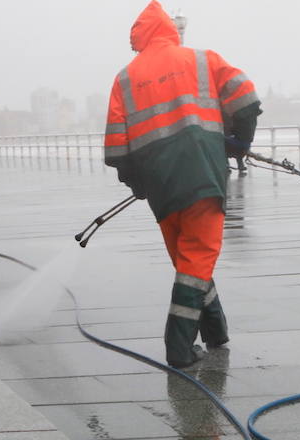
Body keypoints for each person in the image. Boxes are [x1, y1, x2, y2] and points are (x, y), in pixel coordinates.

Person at [104, 0, 262, 368]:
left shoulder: (125, 79)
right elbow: (247, 101)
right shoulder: (204, 60)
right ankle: (177, 348)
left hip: (160, 188)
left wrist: (137, 183)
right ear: (170, 30)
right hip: (202, 176)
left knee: (189, 259)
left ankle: (216, 331)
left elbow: (117, 146)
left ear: (140, 37)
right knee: (197, 260)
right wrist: (239, 143)